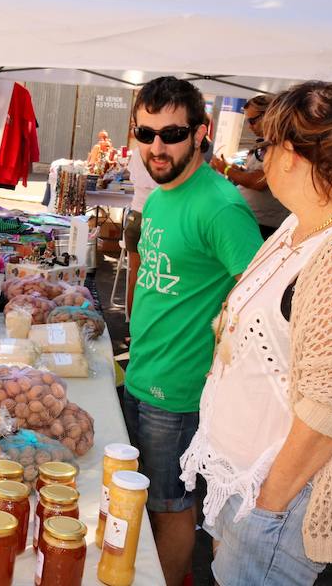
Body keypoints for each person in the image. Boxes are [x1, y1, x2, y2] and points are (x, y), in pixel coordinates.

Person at [180, 81, 332, 586]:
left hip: (278, 504)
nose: (261, 158)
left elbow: (329, 411)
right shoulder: (299, 224)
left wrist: (266, 509)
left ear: (290, 153)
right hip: (244, 486)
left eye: (264, 146)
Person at [122, 77, 263, 586]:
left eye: (173, 133)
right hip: (141, 373)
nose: (157, 147)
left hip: (178, 393)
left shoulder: (220, 205)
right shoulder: (162, 194)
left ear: (200, 133)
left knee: (169, 506)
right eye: (146, 133)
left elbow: (260, 299)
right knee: (140, 498)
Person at [210, 95, 290, 239]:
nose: (249, 126)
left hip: (263, 224)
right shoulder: (266, 144)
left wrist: (226, 170)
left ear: (269, 115)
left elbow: (258, 181)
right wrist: (236, 170)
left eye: (252, 121)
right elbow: (255, 174)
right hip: (252, 219)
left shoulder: (281, 146)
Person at [123, 147, 159, 318]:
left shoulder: (138, 151)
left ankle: (132, 326)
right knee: (154, 278)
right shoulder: (165, 151)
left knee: (135, 275)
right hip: (154, 219)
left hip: (135, 216)